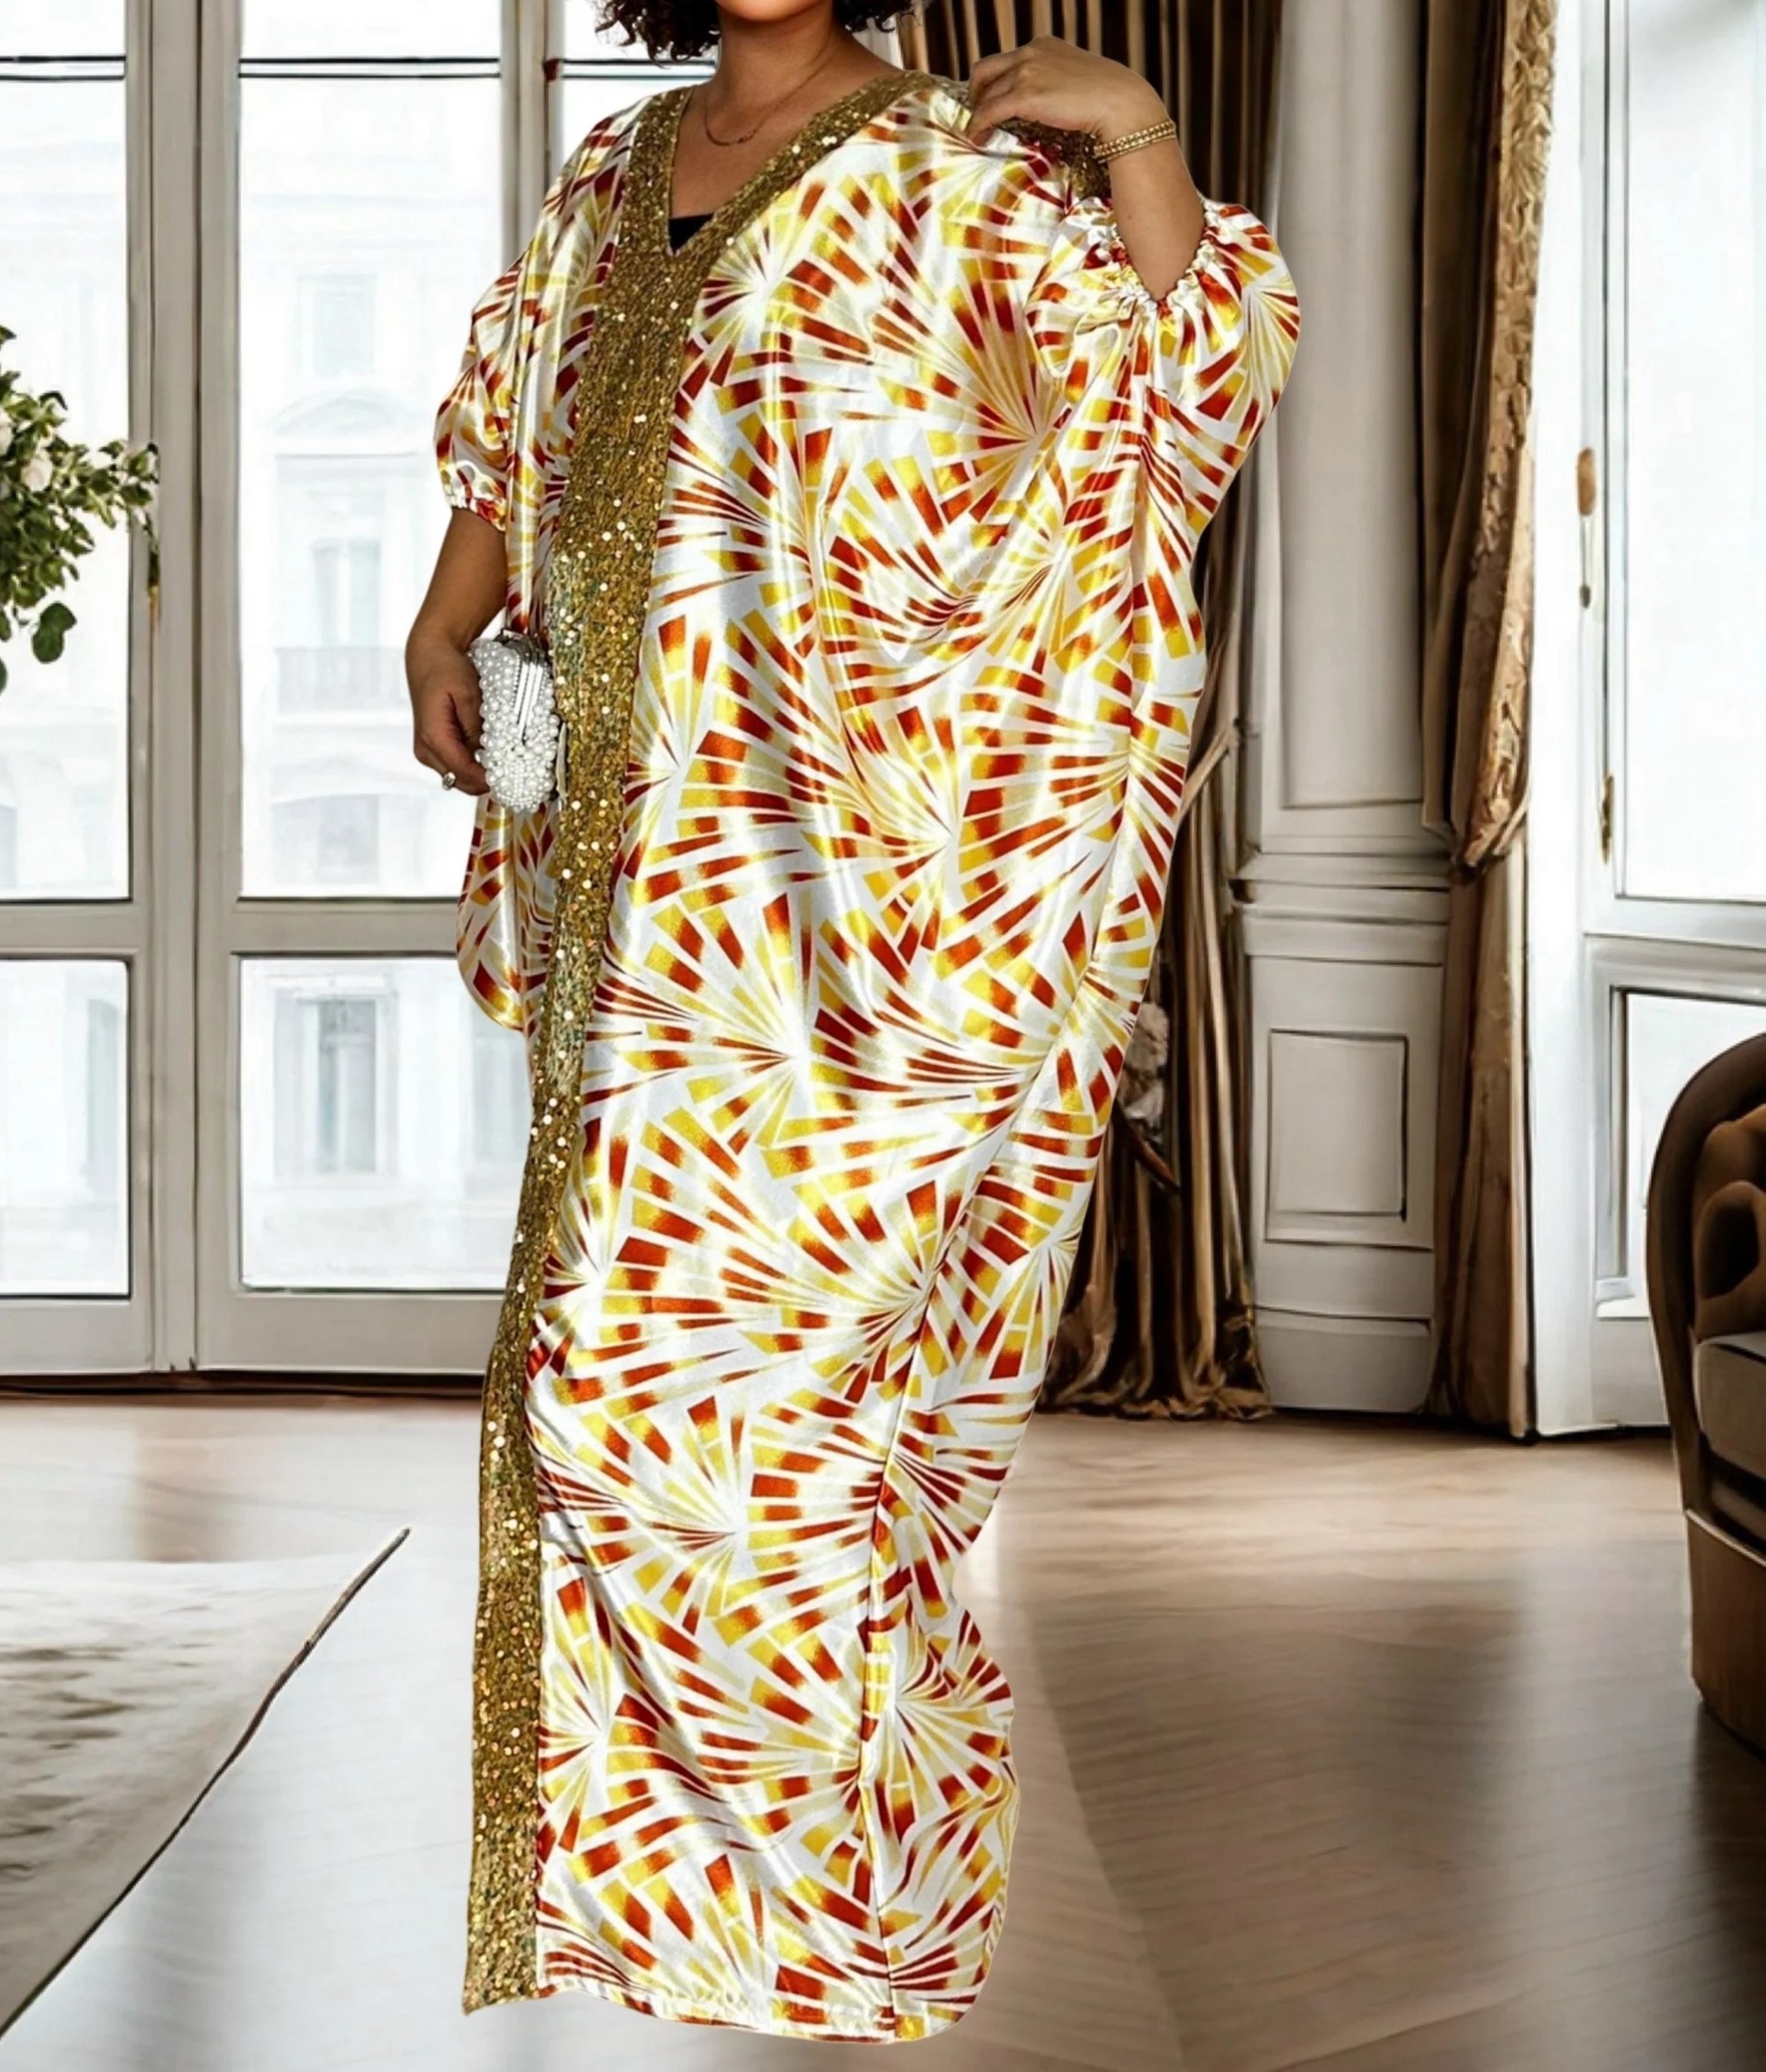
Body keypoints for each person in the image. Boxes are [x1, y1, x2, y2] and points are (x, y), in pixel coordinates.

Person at [405, 0, 1298, 2043]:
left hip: (866, 912)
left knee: (799, 1418)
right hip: (639, 880)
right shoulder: (613, 171)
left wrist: (1140, 135)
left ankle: (857, 1902)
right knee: (598, 1383)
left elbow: (1179, 402)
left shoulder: (959, 167)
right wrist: (446, 616)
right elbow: (509, 424)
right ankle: (682, 1903)